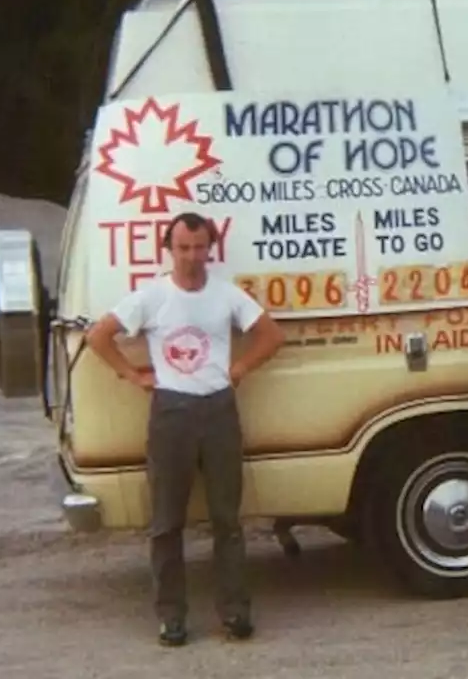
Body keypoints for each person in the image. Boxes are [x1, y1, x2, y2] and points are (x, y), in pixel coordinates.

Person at [85, 211, 286, 646]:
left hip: (218, 409)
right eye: (183, 248)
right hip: (171, 413)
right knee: (166, 523)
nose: (192, 257)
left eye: (199, 248)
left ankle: (235, 613)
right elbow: (99, 336)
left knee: (227, 521)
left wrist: (241, 368)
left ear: (210, 248)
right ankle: (171, 617)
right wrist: (133, 375)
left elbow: (271, 335)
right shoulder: (151, 296)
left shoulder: (226, 295)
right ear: (169, 249)